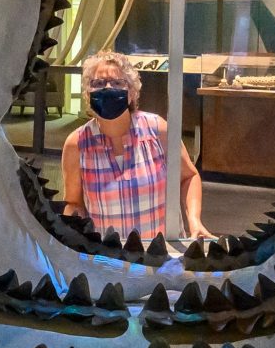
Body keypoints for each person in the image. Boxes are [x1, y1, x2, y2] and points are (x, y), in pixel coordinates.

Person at [61, 52, 213, 241]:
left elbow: (188, 177)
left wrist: (195, 221)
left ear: (131, 92)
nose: (108, 89)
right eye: (98, 83)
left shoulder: (157, 129)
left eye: (117, 83)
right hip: (109, 259)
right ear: (87, 93)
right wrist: (71, 234)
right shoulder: (77, 143)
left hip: (161, 254)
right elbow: (74, 203)